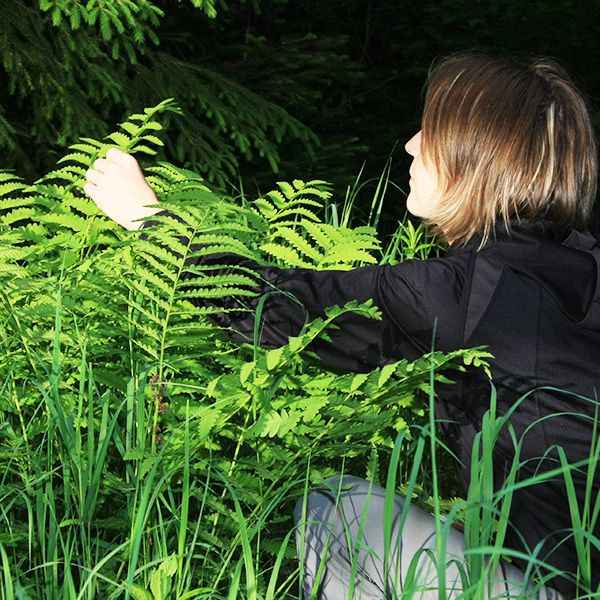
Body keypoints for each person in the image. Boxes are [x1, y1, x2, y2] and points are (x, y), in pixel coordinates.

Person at [84, 53, 599, 598]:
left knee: (333, 506)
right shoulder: (580, 267)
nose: (412, 145)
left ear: (477, 156)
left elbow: (275, 305)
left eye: (432, 131)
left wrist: (149, 219)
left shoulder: (457, 295)